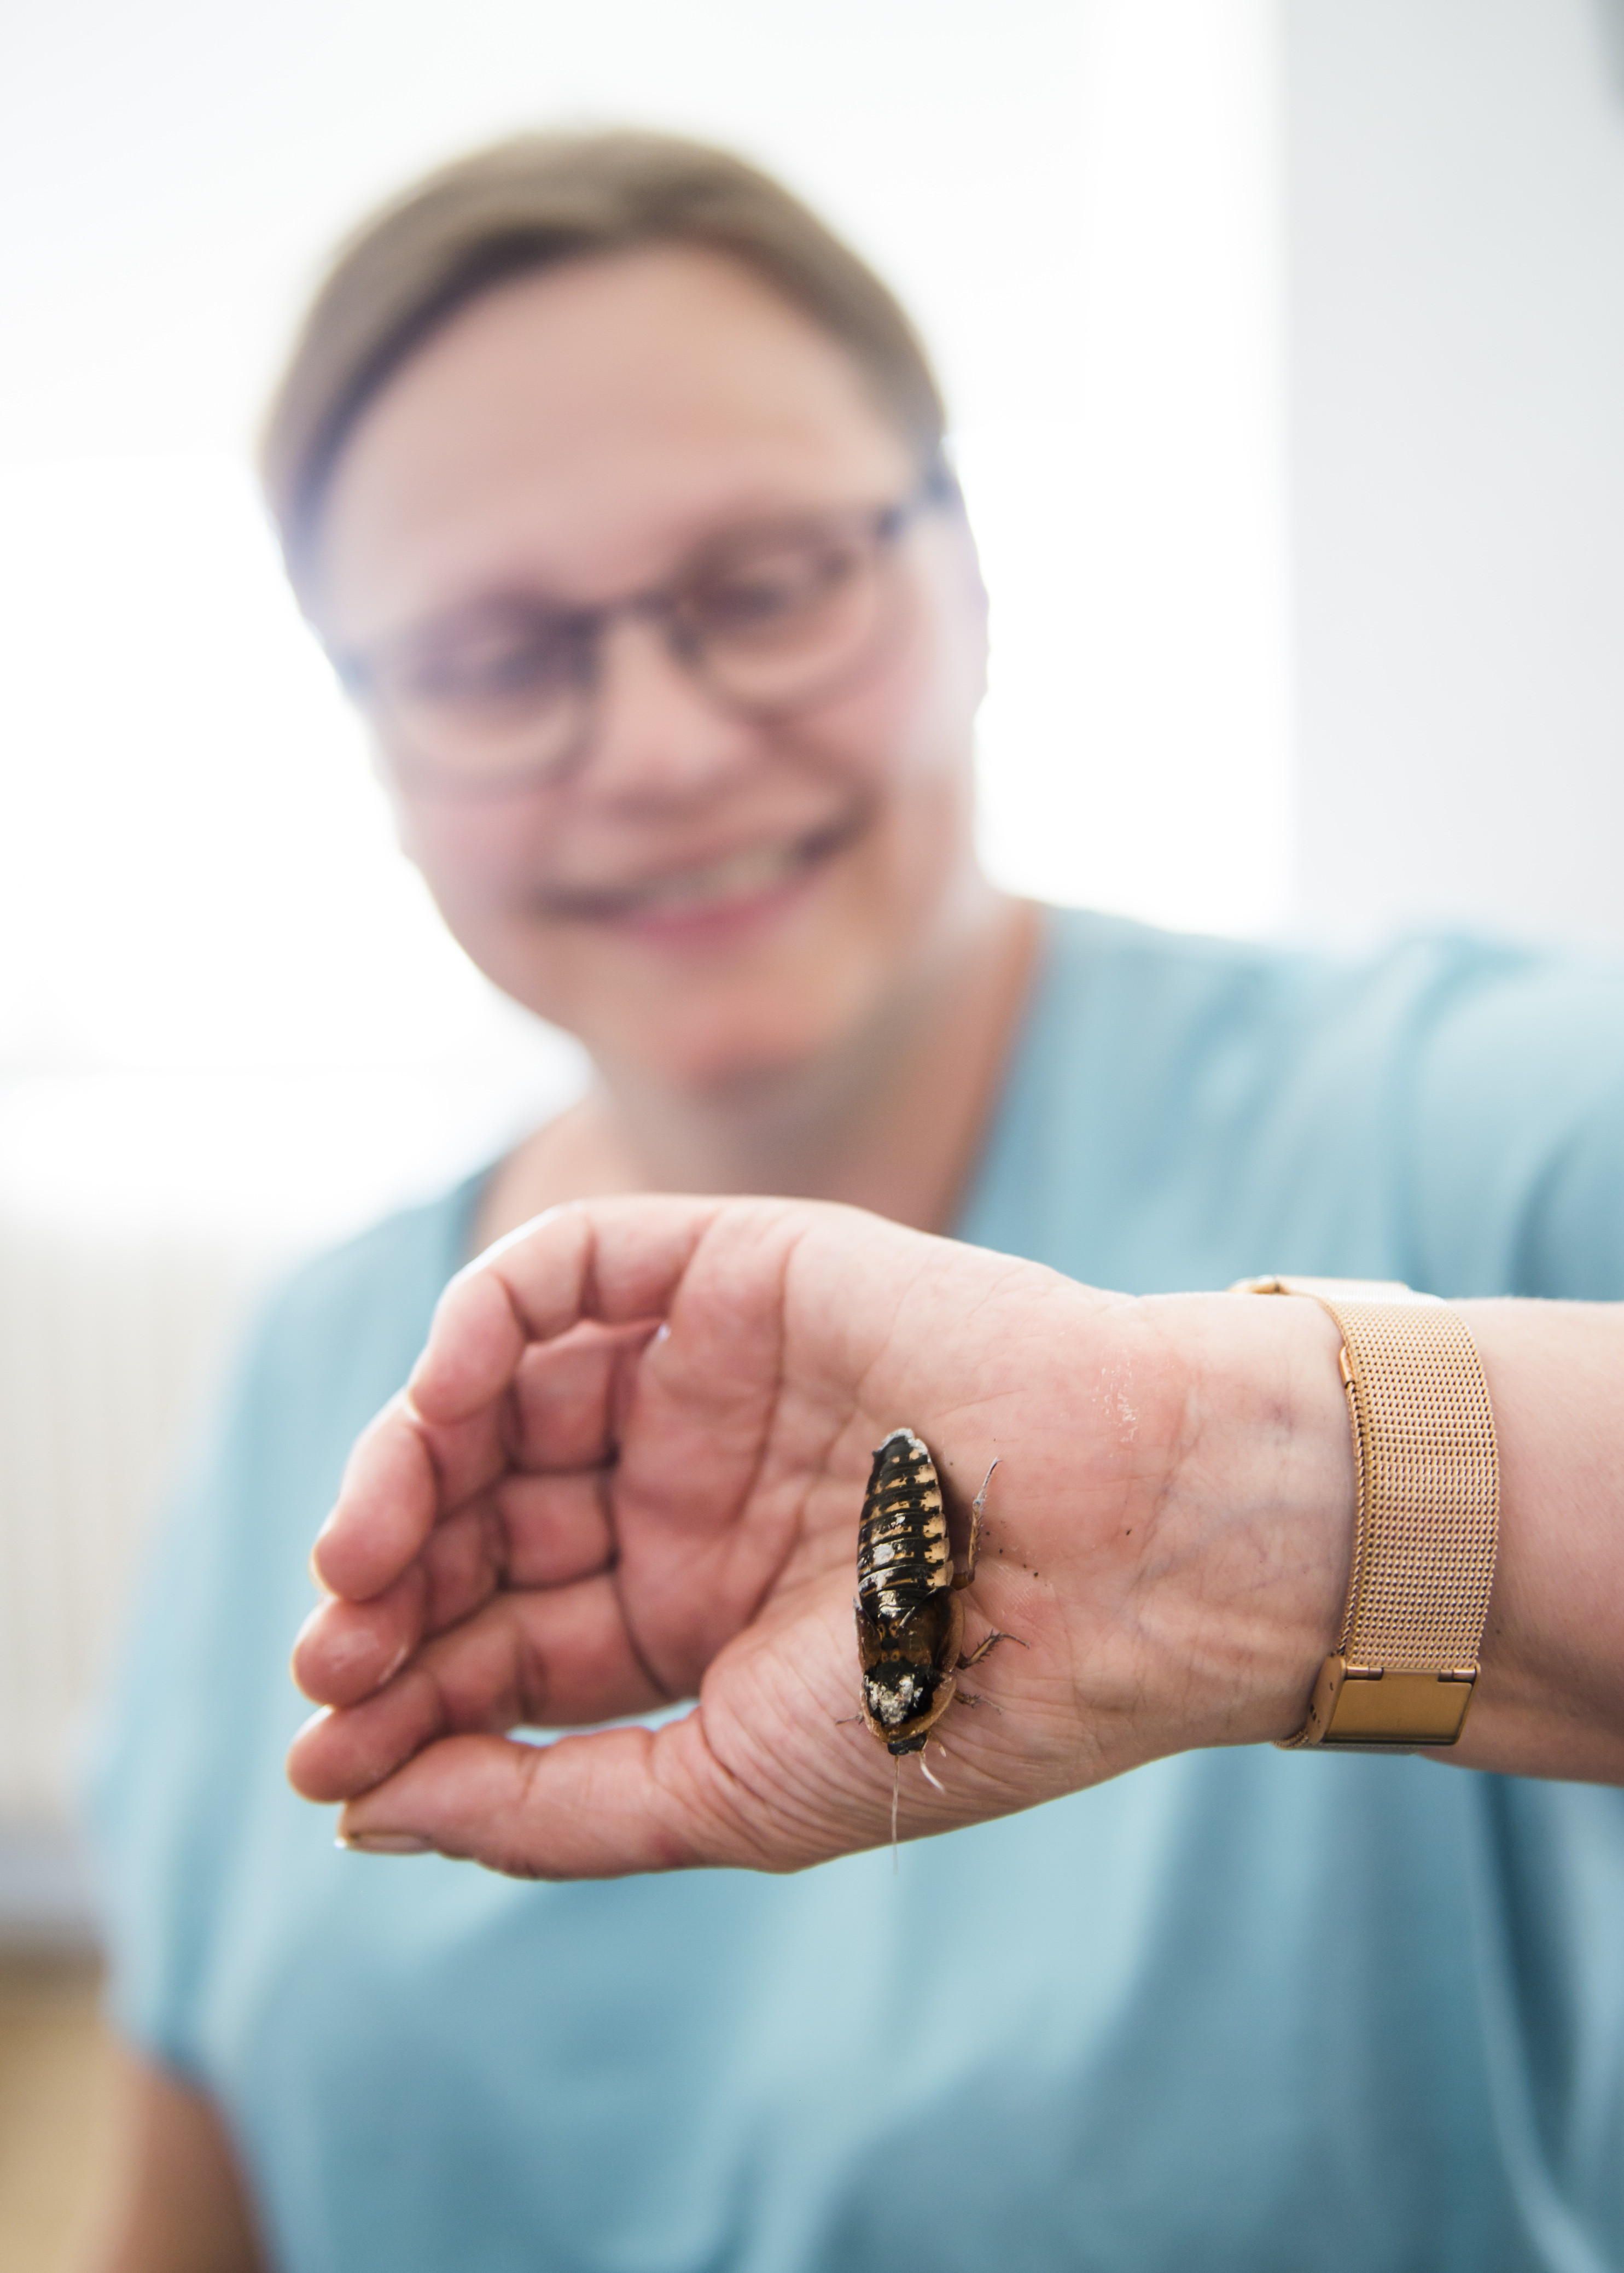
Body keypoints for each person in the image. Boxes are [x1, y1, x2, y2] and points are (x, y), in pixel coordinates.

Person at [85, 128, 1624, 2273]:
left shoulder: (1462, 1125)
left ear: (968, 578)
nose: (656, 744)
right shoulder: (318, 1369)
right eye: (490, 654)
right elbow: (195, 2182)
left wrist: (1270, 1498)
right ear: (373, 743)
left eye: (766, 582)